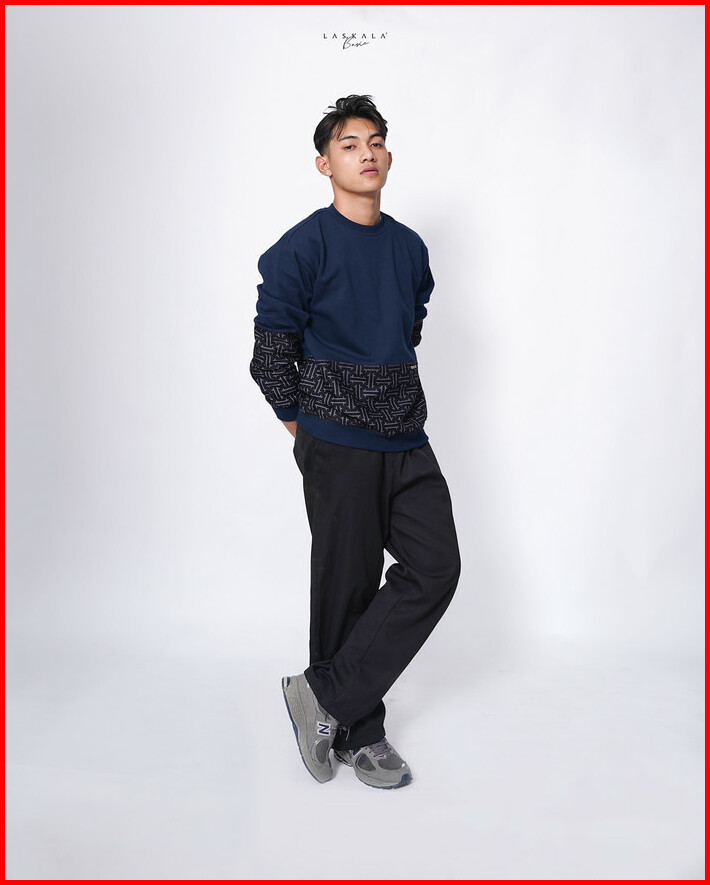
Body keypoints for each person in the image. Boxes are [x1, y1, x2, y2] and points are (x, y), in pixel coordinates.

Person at [249, 95, 460, 789]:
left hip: (406, 435)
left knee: (436, 566)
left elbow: (409, 322)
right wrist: (307, 428)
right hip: (336, 442)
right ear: (324, 164)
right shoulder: (302, 246)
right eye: (348, 144)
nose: (365, 153)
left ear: (388, 156)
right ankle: (360, 734)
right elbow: (271, 353)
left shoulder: (409, 247)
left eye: (374, 142)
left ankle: (323, 697)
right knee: (346, 586)